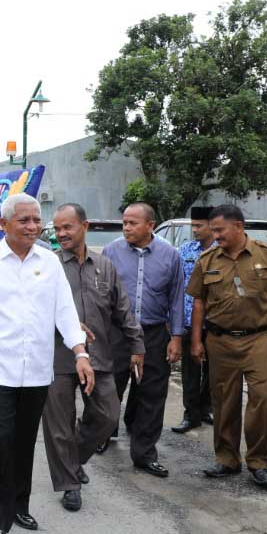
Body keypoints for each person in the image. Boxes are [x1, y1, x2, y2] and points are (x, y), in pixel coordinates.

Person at [0, 194, 92, 534]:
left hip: (36, 369)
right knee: (1, 440)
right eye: (24, 221)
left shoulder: (49, 263)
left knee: (23, 441)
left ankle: (20, 504)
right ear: (4, 225)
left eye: (36, 220)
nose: (33, 227)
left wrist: (80, 352)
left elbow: (64, 311)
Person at [43, 204, 144, 512]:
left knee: (107, 414)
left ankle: (72, 460)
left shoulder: (105, 265)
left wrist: (137, 345)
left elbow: (122, 309)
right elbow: (33, 311)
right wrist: (67, 326)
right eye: (57, 229)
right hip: (58, 357)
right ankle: (70, 484)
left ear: (84, 226)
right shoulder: (48, 266)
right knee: (59, 424)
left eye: (67, 228)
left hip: (99, 356)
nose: (61, 234)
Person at [189, 205, 267, 488]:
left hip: (259, 339)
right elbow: (198, 302)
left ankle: (259, 462)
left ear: (238, 226)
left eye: (219, 230)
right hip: (220, 340)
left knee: (264, 398)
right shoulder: (207, 259)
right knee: (224, 401)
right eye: (213, 230)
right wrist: (197, 341)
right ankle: (227, 459)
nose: (215, 235)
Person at [102, 203, 185, 478]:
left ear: (150, 225)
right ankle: (103, 433)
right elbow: (100, 294)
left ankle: (144, 453)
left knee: (151, 393)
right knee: (110, 386)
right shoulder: (111, 251)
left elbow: (176, 299)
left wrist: (176, 337)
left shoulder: (170, 256)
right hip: (118, 332)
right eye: (124, 222)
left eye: (133, 223)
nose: (127, 227)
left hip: (153, 333)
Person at [173, 207, 216, 433]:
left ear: (212, 225)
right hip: (190, 320)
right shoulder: (186, 250)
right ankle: (191, 414)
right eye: (194, 226)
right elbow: (176, 285)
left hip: (216, 322)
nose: (195, 230)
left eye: (199, 226)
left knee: (213, 371)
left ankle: (206, 408)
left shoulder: (222, 251)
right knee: (190, 372)